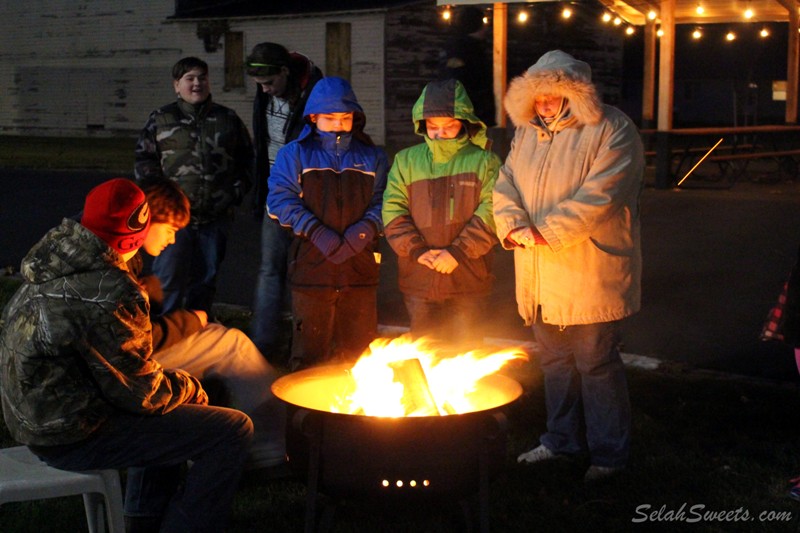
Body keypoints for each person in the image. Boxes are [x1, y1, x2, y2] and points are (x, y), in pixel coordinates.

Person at [0, 178, 253, 533]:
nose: (172, 238)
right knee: (232, 428)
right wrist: (193, 388)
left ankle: (143, 520)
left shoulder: (53, 257)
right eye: (163, 229)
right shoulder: (111, 289)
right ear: (135, 233)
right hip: (70, 434)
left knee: (173, 411)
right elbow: (143, 395)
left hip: (36, 418)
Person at [492, 50, 644, 482]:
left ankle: (609, 456)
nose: (544, 103)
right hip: (539, 273)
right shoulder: (528, 135)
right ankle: (561, 442)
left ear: (573, 94)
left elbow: (603, 195)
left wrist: (547, 231)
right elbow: (505, 184)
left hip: (588, 270)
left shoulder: (611, 129)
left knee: (595, 363)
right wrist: (514, 224)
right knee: (555, 363)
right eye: (536, 96)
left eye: (553, 94)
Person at [132, 180, 286, 472]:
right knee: (233, 345)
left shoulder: (122, 257)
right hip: (129, 370)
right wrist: (190, 321)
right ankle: (270, 446)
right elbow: (141, 340)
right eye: (169, 230)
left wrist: (147, 292)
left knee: (218, 334)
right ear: (146, 220)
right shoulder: (113, 268)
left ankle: (256, 436)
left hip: (126, 361)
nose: (172, 240)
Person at [267, 76, 388, 371]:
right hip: (311, 270)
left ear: (355, 118)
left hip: (358, 271)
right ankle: (303, 416)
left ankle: (357, 415)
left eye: (345, 118)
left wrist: (362, 232)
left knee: (360, 358)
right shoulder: (295, 153)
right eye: (330, 118)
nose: (338, 124)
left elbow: (386, 200)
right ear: (313, 117)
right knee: (310, 354)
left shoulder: (372, 156)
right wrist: (317, 232)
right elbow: (279, 201)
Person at [382, 78, 500, 349]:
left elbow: (494, 210)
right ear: (422, 124)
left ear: (465, 122)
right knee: (423, 352)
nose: (439, 133)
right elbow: (392, 209)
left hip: (467, 275)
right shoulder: (406, 160)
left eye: (449, 126)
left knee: (467, 351)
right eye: (433, 127)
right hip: (419, 276)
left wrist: (457, 252)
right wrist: (417, 251)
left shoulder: (485, 161)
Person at [135, 56, 254, 316]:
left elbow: (248, 161)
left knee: (204, 283)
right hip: (173, 224)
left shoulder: (227, 119)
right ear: (177, 85)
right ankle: (162, 339)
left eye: (202, 77)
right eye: (189, 78)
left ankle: (196, 338)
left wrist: (234, 194)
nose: (197, 83)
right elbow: (145, 162)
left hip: (215, 218)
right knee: (167, 282)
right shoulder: (161, 119)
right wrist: (159, 203)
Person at [246, 42, 324, 359]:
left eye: (269, 84)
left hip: (307, 196)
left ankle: (308, 346)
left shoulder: (316, 93)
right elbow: (263, 141)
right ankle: (263, 346)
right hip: (274, 193)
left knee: (307, 274)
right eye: (259, 86)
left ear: (285, 72)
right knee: (269, 270)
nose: (264, 91)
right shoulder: (265, 90)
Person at [439, 6, 496, 127]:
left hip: (472, 111)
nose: (486, 28)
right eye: (483, 23)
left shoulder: (469, 47)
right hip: (470, 112)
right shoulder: (464, 49)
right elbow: (458, 81)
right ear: (476, 25)